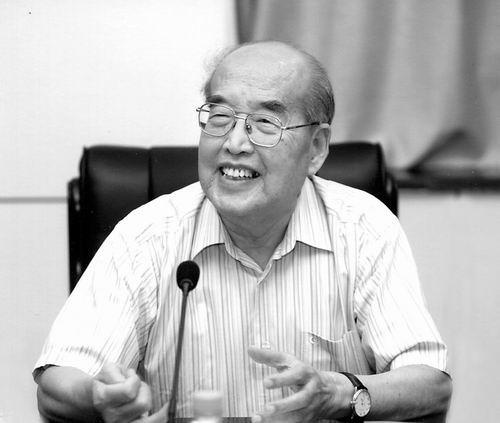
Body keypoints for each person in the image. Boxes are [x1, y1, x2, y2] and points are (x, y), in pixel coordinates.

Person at [34, 41, 452, 423]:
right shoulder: (147, 236)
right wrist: (99, 395)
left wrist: (339, 392)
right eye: (220, 117)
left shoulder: (362, 227)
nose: (234, 143)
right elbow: (58, 382)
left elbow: (429, 384)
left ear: (317, 148)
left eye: (265, 123)